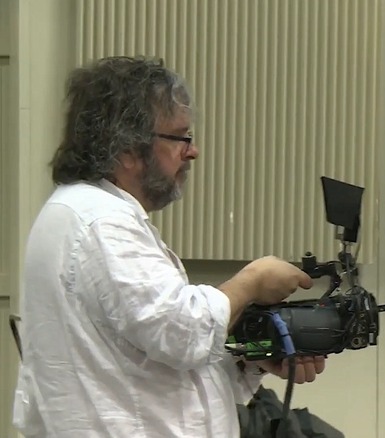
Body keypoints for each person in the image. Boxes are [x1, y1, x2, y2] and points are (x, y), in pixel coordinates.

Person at [12, 55, 326, 437]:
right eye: (180, 137)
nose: (191, 151)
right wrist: (252, 281)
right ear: (127, 148)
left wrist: (253, 361)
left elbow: (164, 372)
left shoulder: (87, 213)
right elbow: (182, 332)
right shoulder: (101, 223)